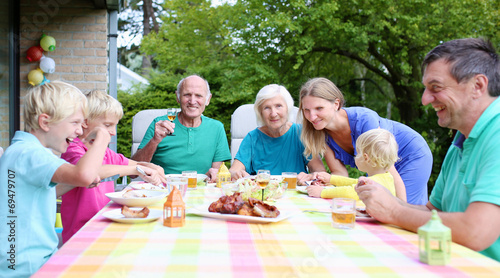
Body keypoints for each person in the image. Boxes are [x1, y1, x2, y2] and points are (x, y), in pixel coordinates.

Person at [356, 38, 500, 261]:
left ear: (478, 86)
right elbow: (434, 213)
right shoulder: (460, 142)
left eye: (436, 88)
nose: (424, 100)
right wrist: (387, 202)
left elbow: (477, 231)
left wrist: (394, 212)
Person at [0, 81, 110, 277]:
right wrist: (102, 136)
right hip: (30, 266)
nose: (79, 130)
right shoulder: (33, 154)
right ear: (45, 122)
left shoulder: (17, 150)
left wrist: (71, 182)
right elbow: (83, 175)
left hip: (13, 262)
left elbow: (33, 194)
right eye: (75, 122)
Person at [299, 77, 433, 205]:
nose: (312, 116)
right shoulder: (320, 134)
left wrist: (403, 209)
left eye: (319, 108)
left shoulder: (364, 120)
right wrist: (320, 180)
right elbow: (340, 173)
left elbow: (391, 174)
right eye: (307, 110)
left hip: (410, 153)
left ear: (336, 104)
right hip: (383, 166)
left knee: (402, 210)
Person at [59, 90, 167, 243]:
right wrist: (135, 169)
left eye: (115, 125)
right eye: (108, 125)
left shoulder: (106, 152)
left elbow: (133, 164)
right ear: (85, 122)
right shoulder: (73, 149)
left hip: (105, 226)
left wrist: (153, 167)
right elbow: (90, 172)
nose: (113, 132)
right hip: (81, 234)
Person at [131, 75, 231, 182]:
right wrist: (155, 140)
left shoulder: (216, 128)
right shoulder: (159, 124)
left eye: (198, 96)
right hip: (164, 189)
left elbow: (215, 174)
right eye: (187, 95)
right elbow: (133, 172)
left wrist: (212, 175)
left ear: (208, 99)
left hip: (201, 190)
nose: (192, 101)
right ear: (178, 97)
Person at [229, 84, 325, 182]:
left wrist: (309, 177)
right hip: (263, 194)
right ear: (260, 113)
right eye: (267, 108)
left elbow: (319, 172)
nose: (273, 113)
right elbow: (234, 170)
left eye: (278, 106)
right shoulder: (252, 138)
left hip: (295, 193)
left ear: (287, 108)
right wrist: (236, 174)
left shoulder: (301, 133)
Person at [307, 129, 398, 201]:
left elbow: (351, 191)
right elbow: (354, 183)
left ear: (366, 158)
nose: (355, 156)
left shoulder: (373, 182)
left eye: (358, 153)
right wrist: (331, 179)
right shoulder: (386, 177)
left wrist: (322, 192)